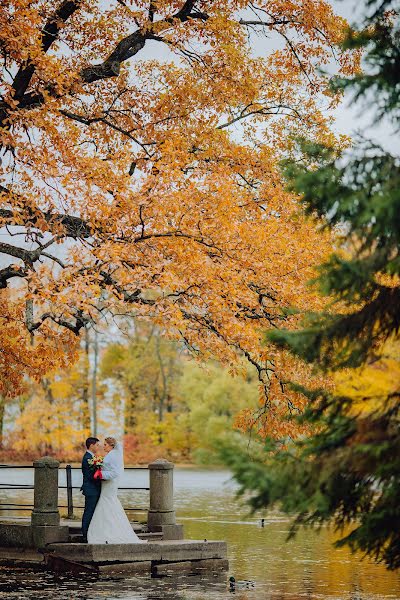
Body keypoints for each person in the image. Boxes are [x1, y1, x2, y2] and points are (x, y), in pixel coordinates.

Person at [87, 436, 146, 544]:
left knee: (107, 503)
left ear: (111, 445)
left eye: (105, 444)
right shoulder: (111, 455)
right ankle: (108, 530)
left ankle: (109, 532)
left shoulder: (113, 456)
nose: (103, 446)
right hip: (107, 485)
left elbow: (114, 473)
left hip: (109, 484)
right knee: (109, 504)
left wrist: (101, 474)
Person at [81, 436, 102, 543]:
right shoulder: (87, 458)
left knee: (93, 512)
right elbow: (91, 476)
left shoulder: (92, 457)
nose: (99, 447)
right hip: (91, 490)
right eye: (97, 445)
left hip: (94, 489)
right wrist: (102, 478)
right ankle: (85, 534)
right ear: (92, 445)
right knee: (89, 512)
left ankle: (90, 533)